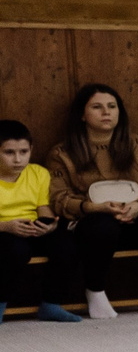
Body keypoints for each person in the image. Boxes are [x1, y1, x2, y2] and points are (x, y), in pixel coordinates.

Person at [46, 84, 138, 320]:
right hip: (92, 224)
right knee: (102, 225)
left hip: (137, 219)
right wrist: (94, 207)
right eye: (97, 107)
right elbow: (58, 198)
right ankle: (95, 292)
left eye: (111, 106)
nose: (106, 112)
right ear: (82, 115)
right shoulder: (62, 153)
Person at [0, 120, 80, 323]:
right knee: (16, 250)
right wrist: (6, 226)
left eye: (23, 152)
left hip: (29, 227)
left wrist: (49, 225)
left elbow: (43, 207)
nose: (18, 159)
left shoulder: (38, 173)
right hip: (4, 230)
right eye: (9, 153)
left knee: (65, 242)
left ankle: (51, 304)